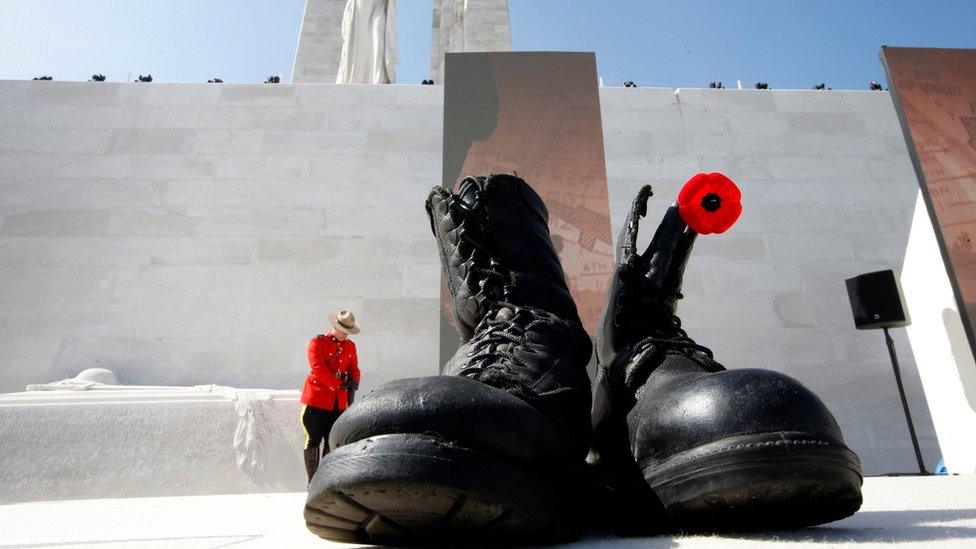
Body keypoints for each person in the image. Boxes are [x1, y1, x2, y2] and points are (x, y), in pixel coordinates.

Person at [300, 309, 361, 486]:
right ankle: (312, 481)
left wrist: (354, 380)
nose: (346, 334)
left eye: (348, 331)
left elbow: (354, 367)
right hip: (316, 399)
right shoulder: (318, 342)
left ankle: (324, 481)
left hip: (338, 402)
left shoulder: (350, 346)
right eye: (344, 330)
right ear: (335, 327)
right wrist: (337, 383)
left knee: (332, 439)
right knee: (313, 439)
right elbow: (318, 368)